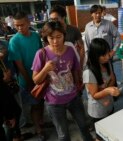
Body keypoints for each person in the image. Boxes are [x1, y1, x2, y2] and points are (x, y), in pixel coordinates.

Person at [32, 21, 93, 141]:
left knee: (84, 127)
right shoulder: (41, 54)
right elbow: (36, 80)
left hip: (74, 98)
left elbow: (76, 69)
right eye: (51, 38)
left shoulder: (70, 50)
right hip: (54, 102)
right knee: (63, 135)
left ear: (64, 36)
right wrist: (45, 69)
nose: (55, 41)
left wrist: (78, 86)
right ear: (46, 38)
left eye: (59, 37)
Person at [7, 11, 45, 140]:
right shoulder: (14, 41)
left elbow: (41, 55)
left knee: (41, 102)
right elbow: (19, 65)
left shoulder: (35, 36)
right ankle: (38, 129)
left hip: (40, 76)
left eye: (22, 25)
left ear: (29, 22)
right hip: (26, 80)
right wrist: (30, 82)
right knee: (34, 105)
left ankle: (41, 122)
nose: (19, 28)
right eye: (16, 25)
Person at [82, 38, 120, 140]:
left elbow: (112, 78)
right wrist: (108, 90)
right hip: (97, 111)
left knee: (110, 131)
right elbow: (94, 95)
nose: (107, 57)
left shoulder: (107, 63)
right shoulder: (88, 73)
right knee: (100, 135)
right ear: (95, 56)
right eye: (103, 55)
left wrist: (109, 89)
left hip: (109, 105)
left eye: (108, 53)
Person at [49, 5, 85, 70]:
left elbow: (82, 47)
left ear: (63, 17)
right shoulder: (49, 32)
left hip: (72, 65)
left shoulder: (74, 30)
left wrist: (80, 64)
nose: (53, 22)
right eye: (51, 19)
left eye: (55, 19)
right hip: (56, 66)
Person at [0, 40, 22, 141]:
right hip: (4, 93)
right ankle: (14, 136)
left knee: (16, 110)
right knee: (11, 119)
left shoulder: (4, 43)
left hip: (8, 87)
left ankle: (16, 135)